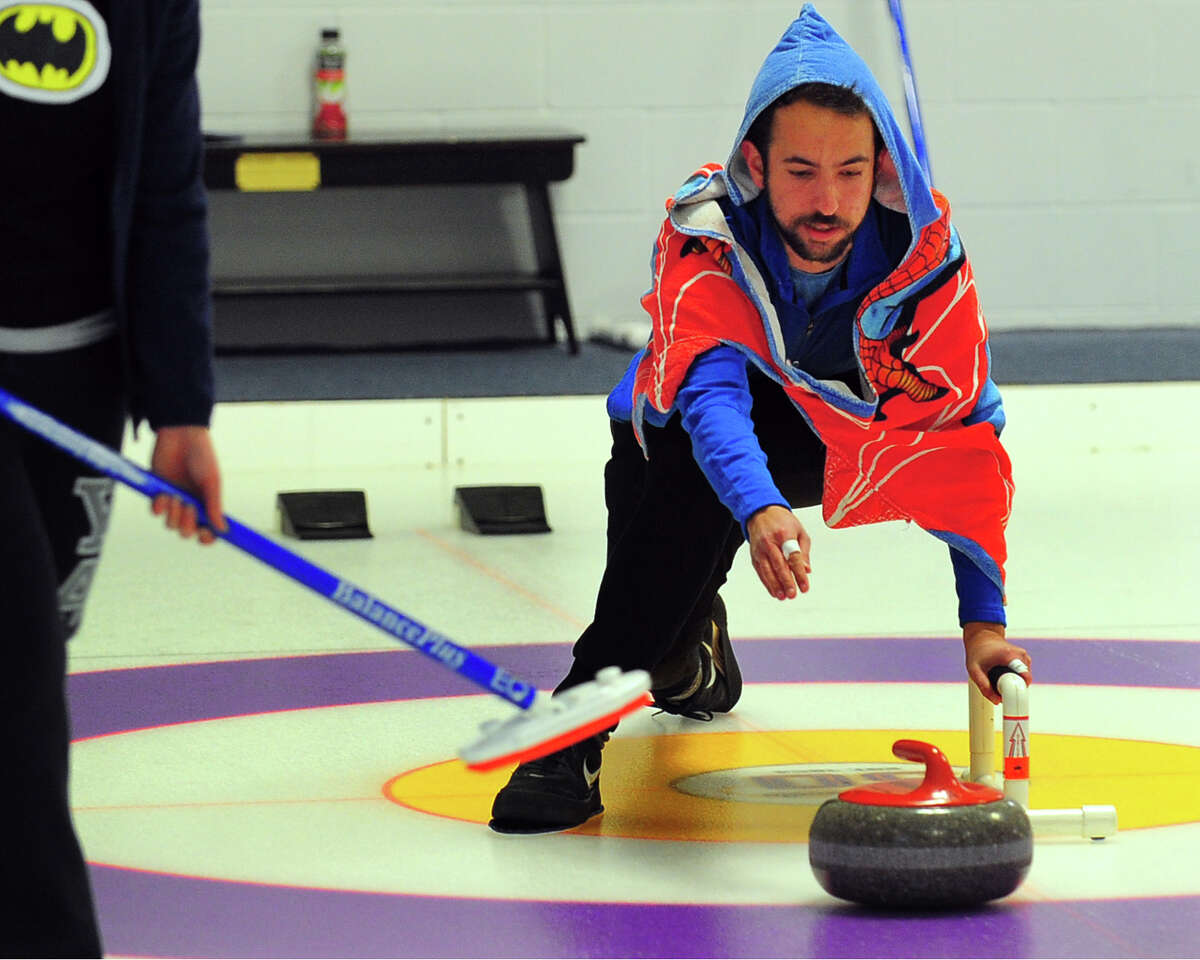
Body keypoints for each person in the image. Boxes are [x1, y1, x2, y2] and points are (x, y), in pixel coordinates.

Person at [489, 3, 1030, 835]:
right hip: (668, 430)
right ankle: (690, 646)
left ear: (881, 169)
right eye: (802, 170)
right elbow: (709, 399)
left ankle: (569, 731)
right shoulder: (707, 233)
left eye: (851, 172)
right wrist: (760, 507)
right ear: (755, 163)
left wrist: (984, 624)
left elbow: (966, 433)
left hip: (828, 442)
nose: (829, 200)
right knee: (664, 606)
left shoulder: (926, 259)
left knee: (676, 542)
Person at [0, 0, 225, 953]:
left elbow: (168, 187)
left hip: (78, 378)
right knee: (15, 684)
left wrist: (182, 405)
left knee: (32, 655)